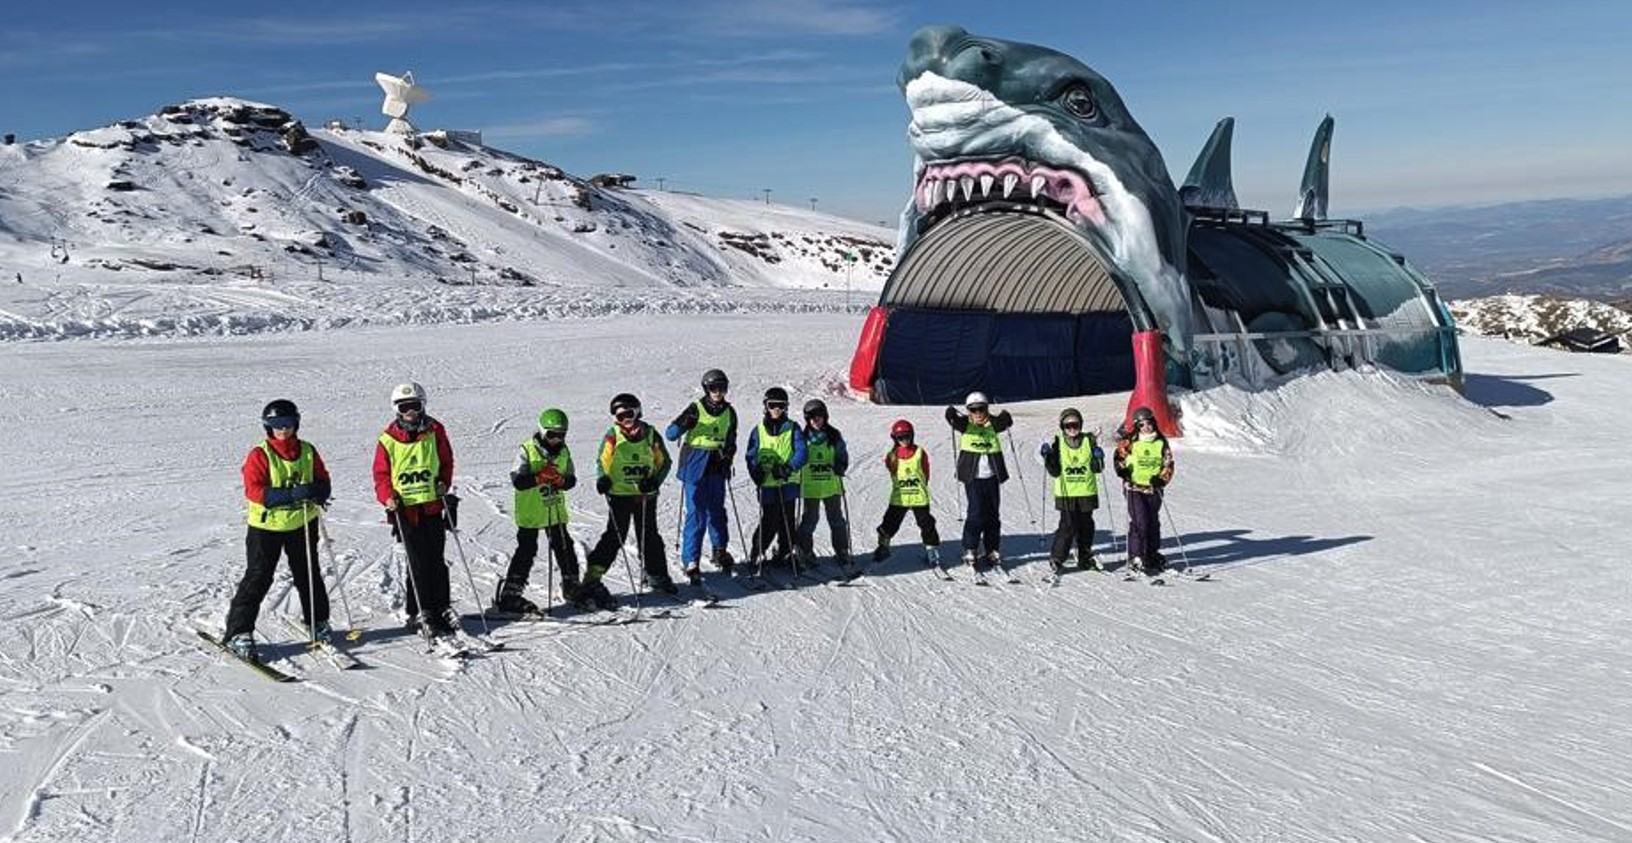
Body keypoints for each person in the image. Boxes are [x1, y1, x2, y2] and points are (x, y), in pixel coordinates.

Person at [222, 399, 333, 662]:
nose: (283, 430)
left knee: (308, 574)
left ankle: (318, 621)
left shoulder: (307, 450)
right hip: (266, 526)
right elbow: (255, 491)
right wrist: (293, 494)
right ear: (268, 428)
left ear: (296, 424)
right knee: (259, 577)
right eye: (276, 426)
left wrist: (319, 491)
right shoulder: (260, 454)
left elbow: (323, 479)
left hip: (302, 522)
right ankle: (238, 632)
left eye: (288, 425)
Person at [373, 382, 459, 639]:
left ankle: (441, 606)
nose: (410, 411)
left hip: (432, 504)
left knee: (437, 559)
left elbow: (446, 461)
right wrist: (387, 497)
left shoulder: (435, 430)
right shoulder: (388, 439)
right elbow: (381, 474)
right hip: (406, 510)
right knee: (418, 562)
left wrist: (444, 482)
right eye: (405, 407)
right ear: (397, 409)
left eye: (415, 406)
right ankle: (419, 611)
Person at [584, 393, 675, 606]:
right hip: (620, 495)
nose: (626, 420)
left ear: (638, 412)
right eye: (621, 416)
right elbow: (602, 461)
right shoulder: (613, 435)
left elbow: (665, 463)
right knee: (615, 536)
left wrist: (654, 482)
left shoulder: (651, 435)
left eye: (630, 414)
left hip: (645, 495)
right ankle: (592, 575)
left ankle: (657, 575)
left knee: (649, 535)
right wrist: (603, 479)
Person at [495, 407, 579, 615]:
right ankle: (510, 593)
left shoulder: (564, 451)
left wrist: (561, 481)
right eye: (551, 435)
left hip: (554, 508)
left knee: (564, 545)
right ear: (542, 432)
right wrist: (539, 477)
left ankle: (571, 584)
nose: (556, 440)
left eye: (561, 435)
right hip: (531, 511)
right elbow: (518, 481)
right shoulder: (527, 450)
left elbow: (571, 479)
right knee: (527, 550)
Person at [665, 368, 738, 582]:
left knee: (717, 511)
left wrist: (729, 455)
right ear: (706, 389)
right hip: (695, 466)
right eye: (713, 388)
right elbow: (670, 434)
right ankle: (691, 559)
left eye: (721, 388)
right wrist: (684, 424)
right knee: (696, 513)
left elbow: (731, 439)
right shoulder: (695, 409)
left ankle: (720, 550)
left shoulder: (729, 412)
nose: (718, 392)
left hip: (716, 466)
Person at [944, 391, 1014, 568]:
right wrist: (950, 414)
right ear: (968, 411)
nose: (978, 413)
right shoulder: (965, 424)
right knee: (975, 513)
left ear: (987, 409)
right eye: (973, 410)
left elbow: (1004, 422)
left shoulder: (993, 424)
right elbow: (954, 421)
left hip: (992, 477)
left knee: (992, 515)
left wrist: (1005, 417)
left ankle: (992, 549)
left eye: (981, 409)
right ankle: (970, 548)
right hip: (973, 478)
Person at [745, 386, 808, 567]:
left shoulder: (792, 428)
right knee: (770, 518)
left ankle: (785, 552)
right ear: (766, 406)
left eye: (781, 406)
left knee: (787, 518)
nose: (776, 410)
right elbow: (751, 455)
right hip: (767, 483)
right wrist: (755, 472)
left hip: (787, 481)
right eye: (772, 405)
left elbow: (802, 453)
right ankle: (757, 551)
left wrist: (787, 468)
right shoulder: (758, 430)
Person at [1040, 407, 1105, 574]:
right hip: (1066, 493)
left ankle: (1084, 556)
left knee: (1086, 525)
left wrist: (1098, 457)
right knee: (1067, 526)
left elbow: (1097, 469)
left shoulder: (1089, 442)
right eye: (1067, 426)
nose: (1072, 429)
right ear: (1062, 427)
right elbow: (1054, 471)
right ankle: (1057, 557)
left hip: (1086, 491)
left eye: (1075, 424)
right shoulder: (1059, 444)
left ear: (1080, 425)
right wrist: (1048, 457)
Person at [1114, 406, 1175, 574]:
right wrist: (1122, 471)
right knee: (1140, 521)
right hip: (1134, 488)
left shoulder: (1161, 442)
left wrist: (1161, 479)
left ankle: (1151, 554)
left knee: (1152, 522)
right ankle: (1136, 556)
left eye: (1149, 423)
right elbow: (1119, 456)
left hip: (1153, 489)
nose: (1146, 427)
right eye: (1141, 425)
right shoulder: (1131, 441)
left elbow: (1168, 464)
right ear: (1137, 426)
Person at [873, 419, 941, 564]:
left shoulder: (920, 453)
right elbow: (891, 472)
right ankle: (883, 546)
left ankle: (932, 550)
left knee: (926, 524)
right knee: (889, 523)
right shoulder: (892, 456)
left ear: (912, 435)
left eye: (907, 436)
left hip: (918, 497)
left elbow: (926, 472)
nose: (904, 440)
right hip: (900, 497)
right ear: (895, 438)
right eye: (900, 438)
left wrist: (919, 486)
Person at [795, 398, 851, 567]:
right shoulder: (802, 438)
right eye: (811, 417)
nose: (815, 420)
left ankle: (842, 550)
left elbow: (842, 455)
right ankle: (805, 551)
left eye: (818, 416)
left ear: (825, 416)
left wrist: (840, 466)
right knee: (810, 520)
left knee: (836, 519)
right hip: (811, 487)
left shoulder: (834, 436)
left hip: (831, 486)